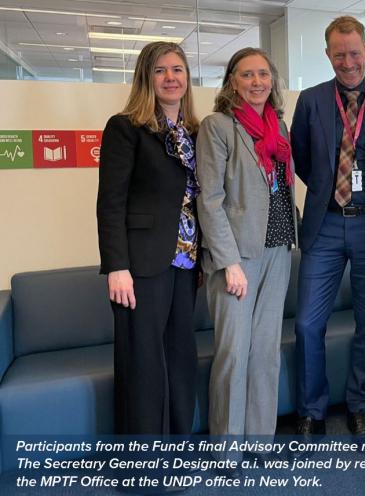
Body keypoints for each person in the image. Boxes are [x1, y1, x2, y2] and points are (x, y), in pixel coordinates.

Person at [290, 15, 365, 442]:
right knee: (308, 323)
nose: (348, 62)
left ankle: (360, 406)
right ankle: (311, 411)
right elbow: (301, 159)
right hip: (324, 224)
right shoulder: (310, 101)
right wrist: (330, 190)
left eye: (355, 53)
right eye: (339, 54)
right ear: (328, 55)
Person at [196, 47, 297, 471]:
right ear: (232, 81)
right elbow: (211, 198)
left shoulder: (279, 127)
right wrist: (228, 261)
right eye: (247, 75)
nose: (257, 82)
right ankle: (226, 449)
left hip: (278, 248)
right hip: (236, 258)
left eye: (263, 74)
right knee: (234, 353)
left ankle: (260, 440)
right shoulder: (217, 126)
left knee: (265, 352)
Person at [97, 41, 200, 437]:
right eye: (160, 70)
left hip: (186, 263)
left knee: (179, 360)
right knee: (143, 367)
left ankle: (176, 449)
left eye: (177, 69)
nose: (171, 77)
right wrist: (117, 266)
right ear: (146, 77)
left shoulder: (193, 131)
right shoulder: (125, 127)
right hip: (140, 266)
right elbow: (110, 203)